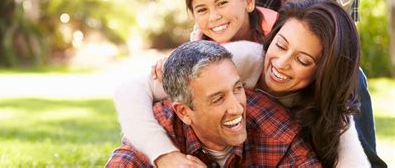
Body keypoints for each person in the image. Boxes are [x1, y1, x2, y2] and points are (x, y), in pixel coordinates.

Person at [115, 0, 368, 167]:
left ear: (323, 72)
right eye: (280, 45)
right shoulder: (242, 58)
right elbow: (130, 89)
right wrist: (164, 154)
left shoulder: (329, 115)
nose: (281, 63)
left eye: (302, 60)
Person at [230, 0, 390, 166]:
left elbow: (341, 49)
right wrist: (197, 44)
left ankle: (364, 159)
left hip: (301, 61)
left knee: (354, 78)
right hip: (248, 42)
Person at [107, 41, 321, 167]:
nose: (237, 108)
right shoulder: (160, 131)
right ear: (184, 112)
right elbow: (124, 161)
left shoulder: (278, 132)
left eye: (238, 89)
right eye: (218, 99)